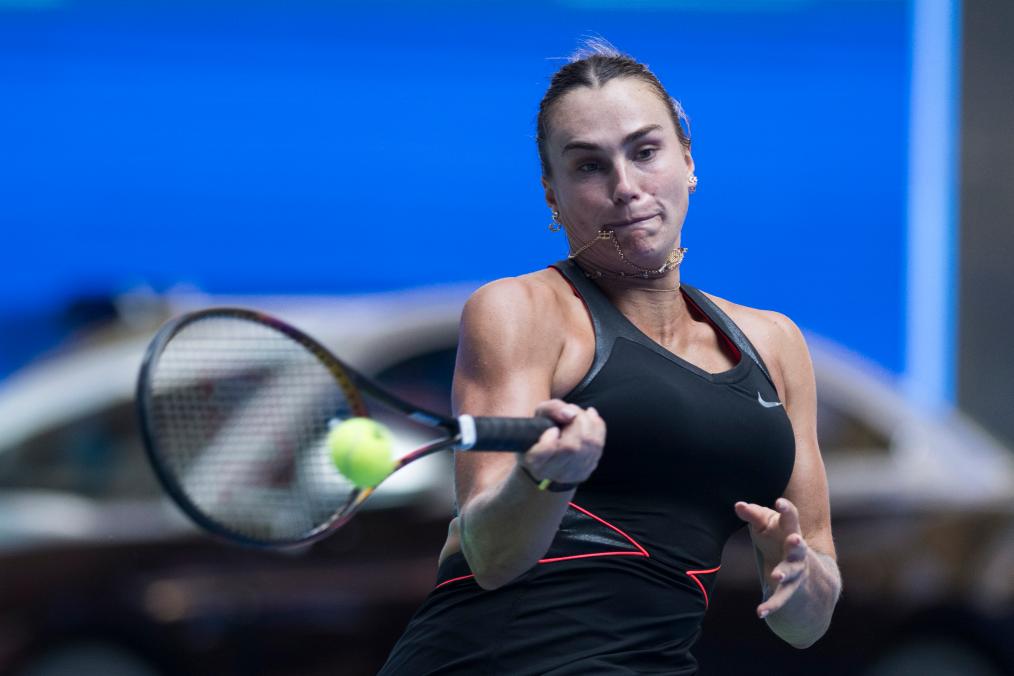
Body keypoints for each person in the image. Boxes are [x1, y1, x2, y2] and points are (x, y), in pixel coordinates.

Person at [379, 41, 841, 675]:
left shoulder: (776, 344)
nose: (625, 188)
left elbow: (806, 622)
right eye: (589, 166)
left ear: (688, 160)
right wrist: (547, 478)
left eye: (645, 152)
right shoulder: (520, 310)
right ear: (553, 194)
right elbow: (490, 555)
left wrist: (803, 583)